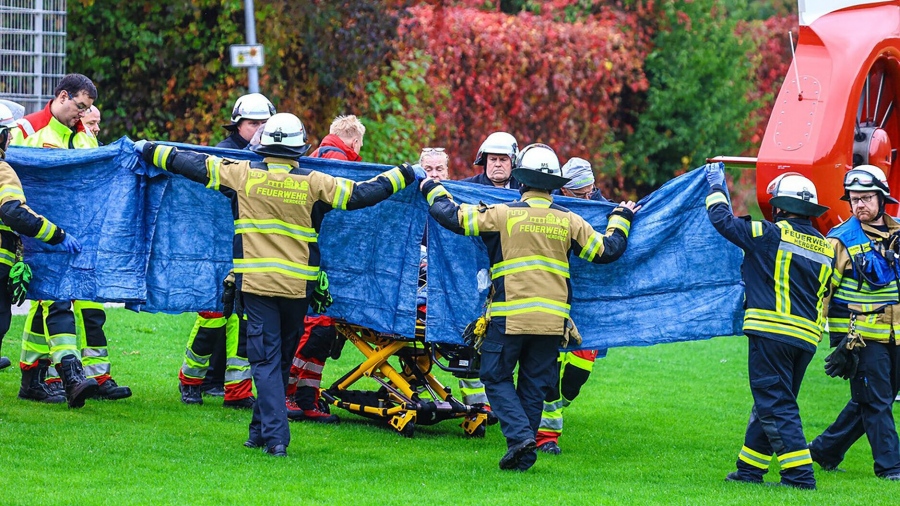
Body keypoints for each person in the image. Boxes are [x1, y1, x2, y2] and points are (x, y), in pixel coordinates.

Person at [138, 112, 419, 457]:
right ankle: (258, 432)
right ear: (300, 149)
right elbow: (362, 194)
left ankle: (275, 438)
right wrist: (404, 173)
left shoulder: (241, 174)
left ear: (264, 146)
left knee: (265, 362)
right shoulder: (316, 181)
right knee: (281, 360)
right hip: (298, 290)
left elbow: (193, 164)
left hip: (256, 287)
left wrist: (150, 149)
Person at [421, 143, 636, 471]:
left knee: (494, 375)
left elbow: (454, 218)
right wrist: (621, 218)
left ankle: (521, 438)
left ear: (520, 180)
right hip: (553, 323)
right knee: (535, 383)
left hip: (510, 318)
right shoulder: (571, 220)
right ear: (553, 186)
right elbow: (607, 250)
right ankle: (524, 451)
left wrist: (432, 188)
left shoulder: (504, 213)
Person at [706, 163, 833, 490]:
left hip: (771, 333)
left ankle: (799, 476)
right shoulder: (825, 247)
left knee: (776, 405)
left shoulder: (770, 233)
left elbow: (722, 221)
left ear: (779, 207)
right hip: (805, 341)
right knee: (772, 401)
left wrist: (714, 184)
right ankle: (749, 469)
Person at [11, 73, 131, 403]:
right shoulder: (26, 131)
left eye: (87, 108)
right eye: (80, 107)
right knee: (56, 299)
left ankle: (33, 376)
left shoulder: (84, 139)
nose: (83, 115)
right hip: (35, 237)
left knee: (49, 302)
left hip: (73, 239)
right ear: (62, 96)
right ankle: (70, 372)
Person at [177, 94, 275, 407]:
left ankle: (237, 391)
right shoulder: (221, 153)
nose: (258, 128)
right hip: (215, 248)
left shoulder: (272, 157)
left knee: (245, 322)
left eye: (264, 123)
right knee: (211, 317)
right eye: (252, 123)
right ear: (238, 124)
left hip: (249, 249)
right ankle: (190, 381)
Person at [809, 164, 900, 480]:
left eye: (866, 198)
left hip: (897, 336)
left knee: (875, 398)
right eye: (854, 199)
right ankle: (891, 468)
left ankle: (824, 450)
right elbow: (822, 289)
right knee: (876, 403)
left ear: (882, 198)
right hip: (860, 338)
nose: (859, 205)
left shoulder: (899, 234)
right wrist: (813, 333)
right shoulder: (839, 240)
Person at [283, 116, 369, 423]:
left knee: (321, 330)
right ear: (354, 141)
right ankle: (288, 393)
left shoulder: (315, 157)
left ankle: (306, 396)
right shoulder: (339, 162)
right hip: (321, 260)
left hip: (314, 257)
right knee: (316, 329)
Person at [0, 103, 81, 375]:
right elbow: (13, 211)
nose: (10, 139)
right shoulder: (2, 170)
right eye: (6, 134)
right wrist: (57, 235)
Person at [536, 157, 609, 455]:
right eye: (581, 196)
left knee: (577, 375)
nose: (588, 199)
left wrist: (627, 216)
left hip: (588, 303)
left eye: (591, 192)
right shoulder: (549, 207)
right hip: (551, 297)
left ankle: (557, 403)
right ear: (564, 192)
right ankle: (546, 432)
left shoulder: (602, 207)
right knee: (547, 366)